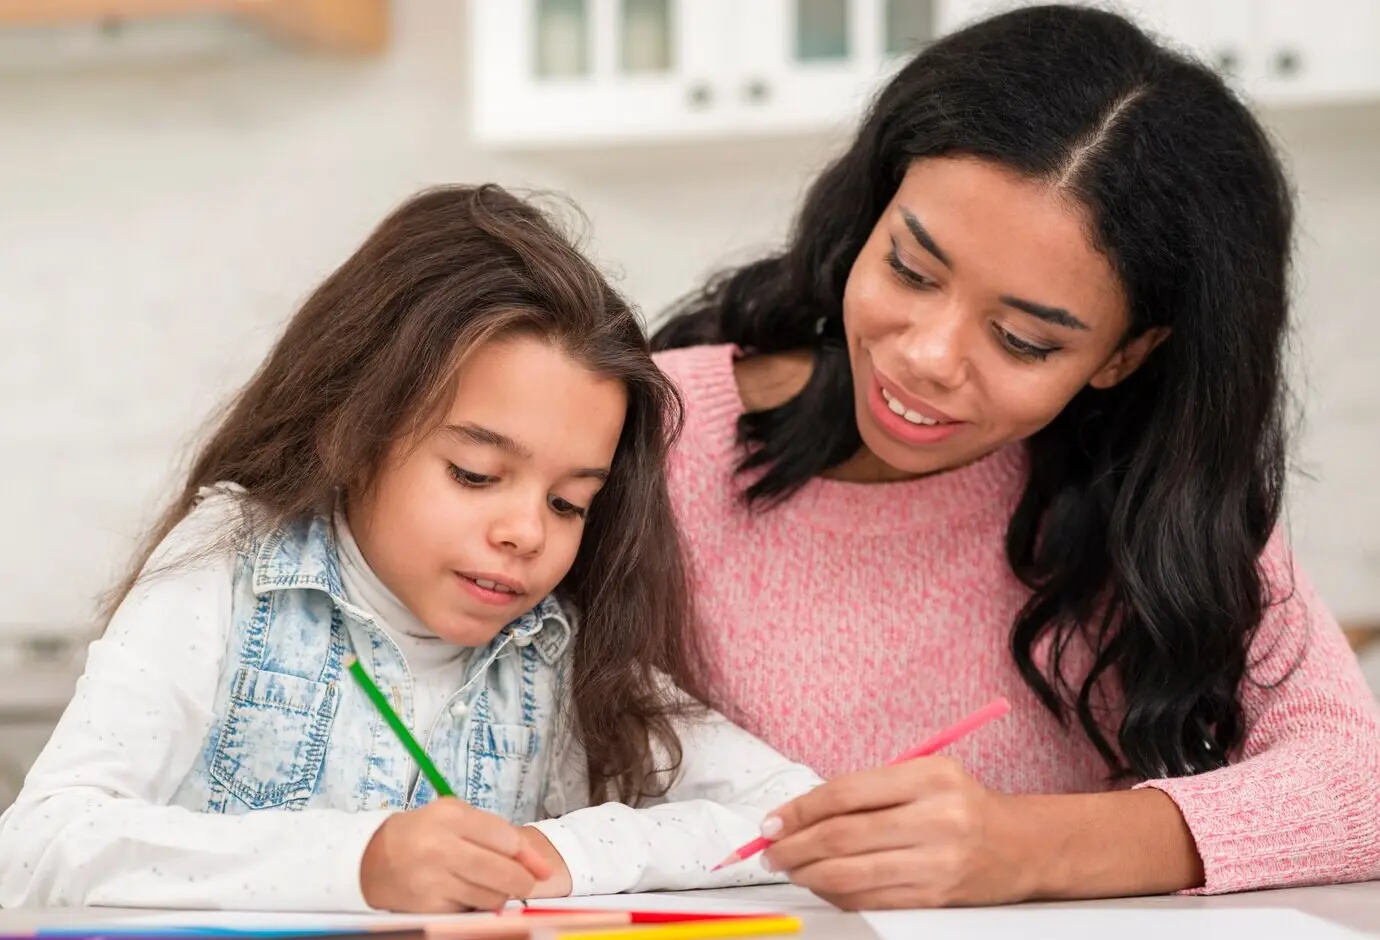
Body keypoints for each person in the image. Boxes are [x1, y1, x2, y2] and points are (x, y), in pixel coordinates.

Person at [651, 3, 1380, 910]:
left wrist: (1025, 849)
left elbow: (1359, 788)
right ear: (874, 208)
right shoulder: (653, 432)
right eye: (911, 271)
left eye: (1024, 339)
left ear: (1125, 355)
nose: (928, 356)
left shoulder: (1153, 489)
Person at [0, 185, 821, 912]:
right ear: (353, 431)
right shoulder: (229, 562)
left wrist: (567, 855)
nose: (527, 532)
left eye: (570, 501)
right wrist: (359, 864)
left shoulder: (558, 644)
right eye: (474, 473)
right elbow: (36, 846)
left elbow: (794, 812)